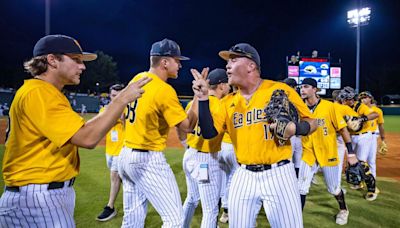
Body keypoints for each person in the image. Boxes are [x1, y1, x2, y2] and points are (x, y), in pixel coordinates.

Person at [0, 34, 151, 227]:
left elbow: (83, 130)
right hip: (38, 198)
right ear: (52, 60)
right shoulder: (39, 92)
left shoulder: (44, 92)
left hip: (37, 194)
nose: (83, 66)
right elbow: (87, 138)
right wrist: (121, 99)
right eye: (76, 60)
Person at [192, 43, 317, 227]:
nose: (227, 65)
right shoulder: (227, 102)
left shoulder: (278, 90)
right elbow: (210, 133)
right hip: (243, 175)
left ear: (251, 65)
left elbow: (312, 122)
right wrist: (202, 99)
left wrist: (296, 129)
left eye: (233, 60)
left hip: (279, 173)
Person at [118, 38, 199, 227]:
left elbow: (123, 116)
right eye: (176, 60)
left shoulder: (137, 78)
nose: (179, 65)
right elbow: (187, 127)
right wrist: (198, 97)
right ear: (164, 62)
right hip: (147, 159)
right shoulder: (164, 89)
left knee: (133, 219)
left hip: (125, 154)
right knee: (175, 219)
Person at [298, 78, 358, 225]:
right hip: (308, 153)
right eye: (301, 87)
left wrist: (350, 153)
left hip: (328, 152)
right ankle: (296, 218)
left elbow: (343, 129)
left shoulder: (329, 107)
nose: (302, 89)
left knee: (333, 188)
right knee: (301, 187)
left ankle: (343, 209)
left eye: (306, 86)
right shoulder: (300, 108)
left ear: (315, 89)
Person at [179, 68, 231, 227]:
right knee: (210, 210)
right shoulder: (220, 106)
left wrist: (183, 141)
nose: (229, 88)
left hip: (189, 155)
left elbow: (182, 126)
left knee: (191, 199)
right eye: (228, 85)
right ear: (221, 86)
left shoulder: (193, 102)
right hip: (205, 160)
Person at [339, 87, 379, 201]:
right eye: (345, 98)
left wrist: (362, 119)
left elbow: (375, 114)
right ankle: (358, 182)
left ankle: (372, 188)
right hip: (351, 137)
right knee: (353, 163)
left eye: (347, 98)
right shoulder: (343, 107)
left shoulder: (359, 106)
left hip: (363, 136)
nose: (345, 100)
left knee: (361, 163)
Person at [96, 84, 125, 221]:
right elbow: (100, 125)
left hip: (123, 150)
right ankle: (134, 199)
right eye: (114, 95)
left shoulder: (128, 110)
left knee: (114, 176)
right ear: (110, 96)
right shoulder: (105, 109)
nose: (116, 98)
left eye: (119, 95)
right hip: (110, 150)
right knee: (122, 179)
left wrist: (121, 116)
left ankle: (110, 207)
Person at [358, 91, 386, 176]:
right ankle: (359, 181)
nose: (363, 99)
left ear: (370, 98)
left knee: (371, 161)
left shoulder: (378, 111)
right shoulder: (358, 108)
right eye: (362, 98)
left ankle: (372, 181)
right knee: (360, 160)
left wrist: (383, 140)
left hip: (373, 137)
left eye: (365, 97)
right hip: (361, 136)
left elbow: (381, 125)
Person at [283, 78, 302, 177]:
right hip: (292, 133)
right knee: (293, 159)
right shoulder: (296, 98)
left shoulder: (282, 98)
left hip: (294, 133)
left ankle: (294, 180)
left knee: (294, 159)